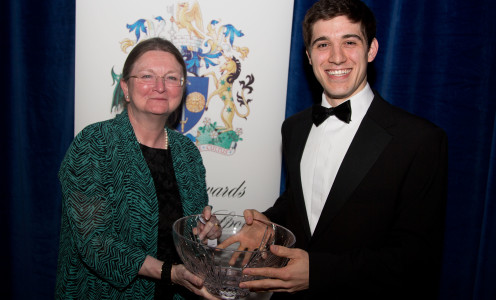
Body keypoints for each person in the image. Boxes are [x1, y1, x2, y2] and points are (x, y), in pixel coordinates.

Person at [229, 0, 448, 299]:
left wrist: (319, 272)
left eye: (349, 42)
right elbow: (302, 205)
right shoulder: (293, 128)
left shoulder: (419, 140)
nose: (336, 57)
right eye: (322, 44)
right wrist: (267, 224)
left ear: (371, 50)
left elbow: (417, 260)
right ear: (308, 55)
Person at [56, 37, 220, 299]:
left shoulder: (188, 153)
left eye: (171, 78)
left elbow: (191, 234)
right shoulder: (94, 144)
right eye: (147, 76)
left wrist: (207, 233)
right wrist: (169, 272)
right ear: (126, 88)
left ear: (183, 88)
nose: (159, 87)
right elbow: (95, 244)